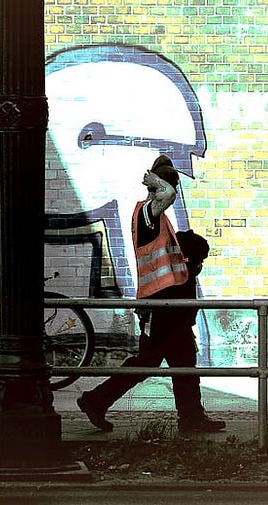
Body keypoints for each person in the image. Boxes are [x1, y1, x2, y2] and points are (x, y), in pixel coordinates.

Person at [77, 155, 225, 434]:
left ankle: (190, 417)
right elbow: (167, 193)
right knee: (158, 363)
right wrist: (157, 180)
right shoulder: (147, 214)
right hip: (161, 308)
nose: (174, 193)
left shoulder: (157, 219)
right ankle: (96, 400)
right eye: (171, 187)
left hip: (168, 307)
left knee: (179, 362)